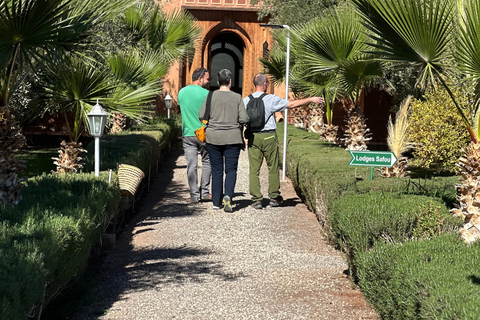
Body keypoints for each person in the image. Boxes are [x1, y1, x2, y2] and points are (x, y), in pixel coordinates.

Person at [244, 73, 324, 210]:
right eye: (267, 83)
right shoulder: (270, 99)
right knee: (272, 167)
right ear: (264, 84)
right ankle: (274, 196)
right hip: (269, 136)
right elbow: (292, 104)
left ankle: (256, 199)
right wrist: (310, 99)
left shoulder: (245, 100)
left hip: (253, 137)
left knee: (254, 169)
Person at [199, 69, 249, 212]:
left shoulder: (210, 96)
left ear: (217, 81)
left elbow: (201, 114)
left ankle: (216, 202)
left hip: (213, 137)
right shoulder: (237, 97)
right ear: (230, 81)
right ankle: (227, 195)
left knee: (216, 170)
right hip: (233, 137)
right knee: (231, 169)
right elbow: (244, 119)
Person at [177, 67, 212, 203]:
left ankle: (194, 195)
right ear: (200, 78)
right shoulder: (207, 94)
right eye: (207, 79)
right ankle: (204, 192)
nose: (208, 81)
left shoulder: (181, 92)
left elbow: (181, 108)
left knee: (191, 165)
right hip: (204, 133)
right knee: (206, 161)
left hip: (187, 133)